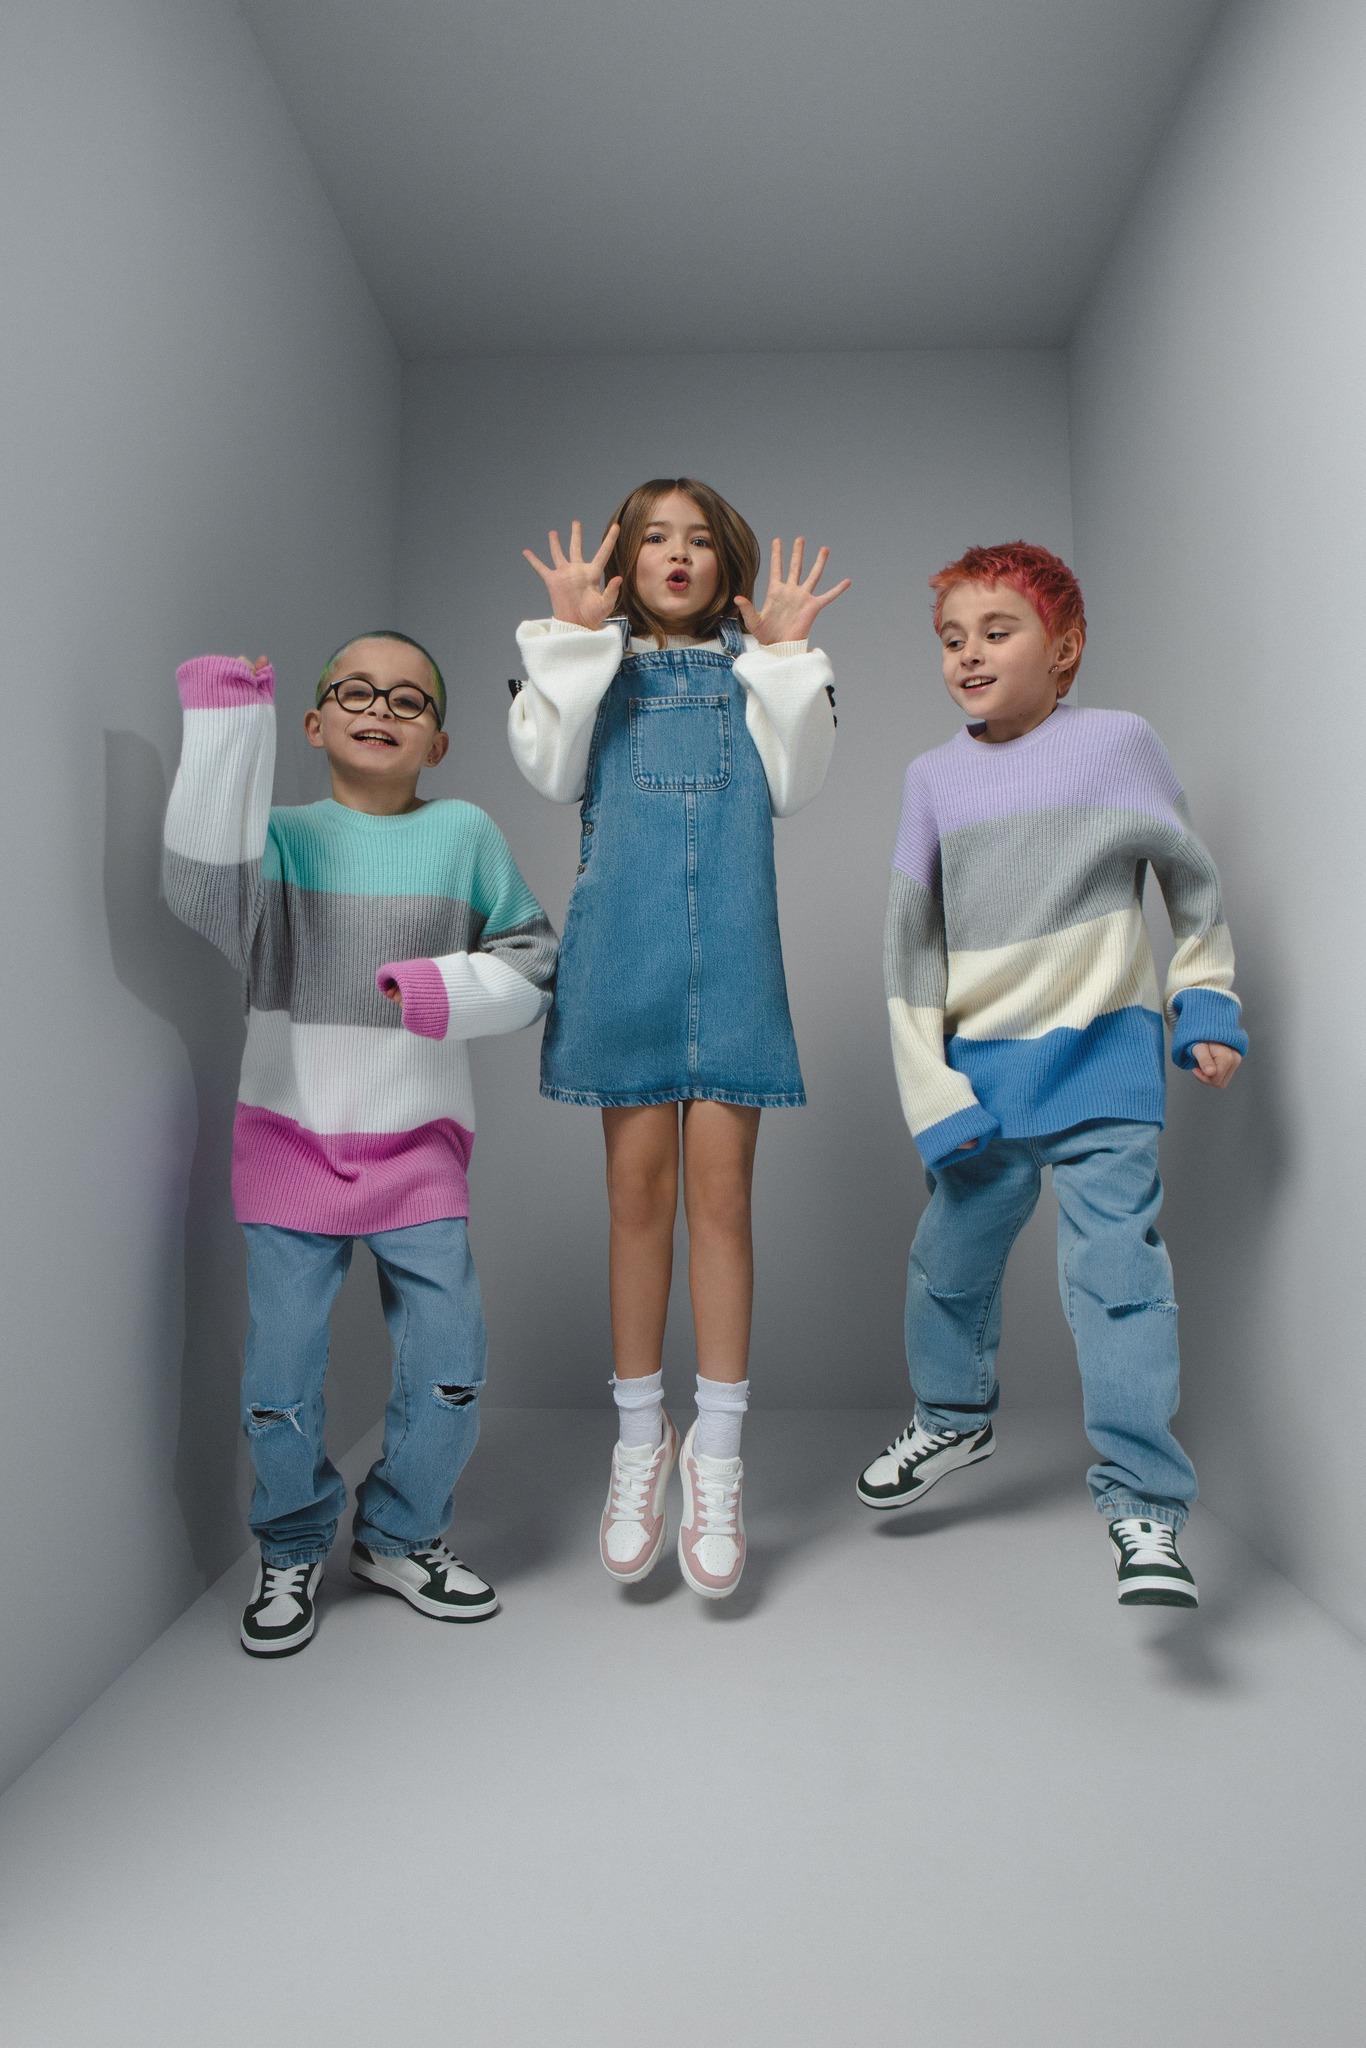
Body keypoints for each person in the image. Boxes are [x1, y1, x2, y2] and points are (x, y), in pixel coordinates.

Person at [856, 542, 1246, 1607]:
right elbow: (907, 954)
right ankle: (952, 1417)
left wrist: (1204, 1005)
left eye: (997, 631)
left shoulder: (1118, 744)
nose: (968, 655)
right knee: (945, 1267)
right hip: (981, 1080)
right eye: (951, 639)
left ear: (1064, 648)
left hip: (1103, 1063)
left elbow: (1193, 887)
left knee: (1118, 1284)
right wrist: (933, 1092)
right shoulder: (932, 780)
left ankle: (1144, 1508)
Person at [163, 631, 556, 1655]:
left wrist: (435, 989)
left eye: (408, 700)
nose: (381, 708)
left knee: (451, 1360)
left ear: (438, 740)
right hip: (289, 1139)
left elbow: (533, 961)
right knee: (281, 1375)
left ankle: (401, 1536)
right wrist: (224, 715)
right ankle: (291, 1544)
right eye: (356, 692)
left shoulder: (465, 833)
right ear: (313, 720)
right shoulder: (281, 841)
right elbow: (199, 895)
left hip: (419, 1147)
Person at [510, 479, 847, 1599]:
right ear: (622, 559)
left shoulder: (764, 673)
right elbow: (551, 770)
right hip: (624, 954)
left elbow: (798, 783)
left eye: (700, 539)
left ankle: (718, 1455)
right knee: (636, 1199)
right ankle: (638, 1438)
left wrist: (787, 656)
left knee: (723, 1201)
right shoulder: (585, 667)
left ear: (727, 562)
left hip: (735, 958)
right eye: (654, 536)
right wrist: (570, 640)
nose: (678, 553)